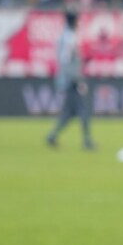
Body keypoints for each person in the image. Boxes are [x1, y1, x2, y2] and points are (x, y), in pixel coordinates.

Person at [45, 10, 95, 150]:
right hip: (71, 81)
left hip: (68, 79)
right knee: (83, 109)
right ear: (74, 21)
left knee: (69, 112)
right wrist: (77, 79)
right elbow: (65, 60)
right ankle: (87, 141)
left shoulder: (65, 36)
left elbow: (68, 59)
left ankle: (52, 135)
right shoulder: (69, 38)